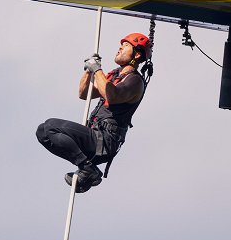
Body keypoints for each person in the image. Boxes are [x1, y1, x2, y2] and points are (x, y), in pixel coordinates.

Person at [36, 32, 151, 193]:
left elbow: (112, 95)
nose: (120, 47)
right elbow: (84, 93)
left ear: (137, 54)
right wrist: (89, 70)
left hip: (104, 140)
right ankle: (86, 167)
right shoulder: (115, 76)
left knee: (51, 126)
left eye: (125, 45)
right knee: (43, 131)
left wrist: (97, 69)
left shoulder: (134, 81)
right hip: (95, 135)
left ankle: (86, 168)